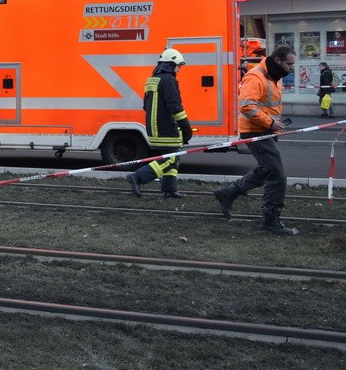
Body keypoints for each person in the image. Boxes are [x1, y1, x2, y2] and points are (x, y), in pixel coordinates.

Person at [212, 45, 298, 236]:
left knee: (266, 170)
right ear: (277, 61)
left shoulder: (274, 76)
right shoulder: (255, 76)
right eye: (289, 63)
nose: (291, 67)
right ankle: (270, 221)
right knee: (277, 176)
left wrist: (272, 125)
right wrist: (270, 123)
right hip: (255, 131)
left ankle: (226, 193)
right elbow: (246, 106)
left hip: (265, 130)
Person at [125, 49, 192, 199]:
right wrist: (186, 127)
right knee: (171, 159)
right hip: (166, 127)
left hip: (153, 127)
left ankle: (169, 190)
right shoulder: (169, 80)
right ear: (171, 64)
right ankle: (138, 177)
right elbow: (175, 106)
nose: (179, 69)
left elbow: (145, 105)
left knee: (172, 157)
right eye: (178, 65)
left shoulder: (151, 79)